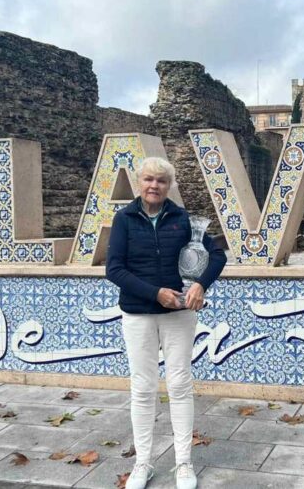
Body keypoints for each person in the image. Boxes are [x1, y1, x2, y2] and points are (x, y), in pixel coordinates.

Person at [105, 157, 227, 489]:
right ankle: (143, 463)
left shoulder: (183, 219)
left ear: (169, 184)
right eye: (148, 179)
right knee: (143, 388)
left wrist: (201, 284)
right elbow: (114, 269)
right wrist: (154, 293)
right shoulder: (124, 219)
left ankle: (183, 463)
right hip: (138, 315)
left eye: (161, 180)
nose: (154, 186)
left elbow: (217, 255)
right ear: (139, 182)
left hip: (179, 316)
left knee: (179, 385)